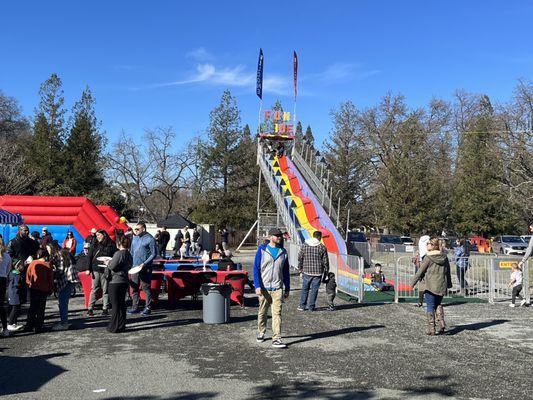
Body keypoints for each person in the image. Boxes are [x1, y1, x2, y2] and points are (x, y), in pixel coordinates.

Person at [253, 228, 290, 348]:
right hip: (264, 288)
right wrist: (257, 286)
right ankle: (261, 331)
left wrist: (287, 287)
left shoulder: (283, 252)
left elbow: (286, 271)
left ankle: (277, 338)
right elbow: (256, 269)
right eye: (277, 235)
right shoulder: (262, 250)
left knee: (277, 313)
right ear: (270, 237)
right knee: (262, 312)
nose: (279, 237)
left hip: (277, 288)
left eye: (280, 236)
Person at [411, 237, 452, 335]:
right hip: (441, 284)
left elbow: (420, 272)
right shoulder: (444, 257)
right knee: (438, 304)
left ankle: (432, 329)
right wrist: (449, 284)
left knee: (430, 306)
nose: (427, 245)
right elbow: (448, 271)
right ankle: (442, 323)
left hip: (430, 285)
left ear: (433, 246)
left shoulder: (428, 257)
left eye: (428, 243)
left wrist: (413, 283)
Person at [128, 222, 158, 315]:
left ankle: (148, 307)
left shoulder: (150, 239)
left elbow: (154, 254)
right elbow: (132, 252)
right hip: (134, 267)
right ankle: (135, 307)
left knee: (146, 287)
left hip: (146, 267)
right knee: (134, 287)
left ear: (143, 229)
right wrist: (130, 264)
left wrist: (144, 264)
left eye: (137, 229)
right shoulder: (134, 238)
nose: (135, 231)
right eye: (135, 229)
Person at [87, 230, 117, 316]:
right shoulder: (95, 244)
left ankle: (105, 308)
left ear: (104, 235)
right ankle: (90, 308)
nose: (97, 237)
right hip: (96, 269)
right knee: (94, 289)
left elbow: (115, 256)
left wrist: (109, 261)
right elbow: (89, 257)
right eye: (96, 236)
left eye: (99, 235)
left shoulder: (111, 245)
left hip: (106, 270)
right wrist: (88, 268)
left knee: (105, 290)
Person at [7, 225, 40, 304]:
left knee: (29, 294)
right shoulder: (13, 242)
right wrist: (19, 262)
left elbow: (38, 253)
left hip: (30, 269)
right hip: (17, 270)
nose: (27, 232)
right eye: (25, 230)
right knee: (16, 292)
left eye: (27, 230)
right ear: (20, 231)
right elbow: (9, 255)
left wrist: (32, 257)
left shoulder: (32, 242)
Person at [297, 230, 329, 311]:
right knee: (314, 290)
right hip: (318, 272)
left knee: (305, 289)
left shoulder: (305, 245)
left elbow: (300, 257)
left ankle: (302, 306)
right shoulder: (322, 247)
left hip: (307, 270)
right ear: (319, 237)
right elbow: (325, 261)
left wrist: (300, 267)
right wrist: (326, 271)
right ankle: (311, 307)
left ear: (313, 236)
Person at [25, 249, 54, 333]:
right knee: (41, 309)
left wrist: (29, 284)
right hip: (44, 289)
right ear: (45, 256)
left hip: (33, 288)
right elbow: (50, 279)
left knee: (32, 307)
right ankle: (38, 327)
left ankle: (29, 325)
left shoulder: (33, 263)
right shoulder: (48, 264)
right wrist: (51, 289)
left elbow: (28, 275)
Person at [107, 236, 132, 333]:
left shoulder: (118, 253)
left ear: (119, 243)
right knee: (121, 304)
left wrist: (108, 263)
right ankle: (121, 325)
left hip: (115, 281)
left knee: (115, 305)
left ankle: (114, 326)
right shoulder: (128, 254)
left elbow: (112, 266)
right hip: (124, 280)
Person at [51, 247, 78, 331]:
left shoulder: (60, 256)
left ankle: (64, 323)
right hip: (71, 280)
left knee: (62, 303)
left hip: (66, 281)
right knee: (64, 303)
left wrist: (53, 271)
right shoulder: (67, 255)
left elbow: (60, 270)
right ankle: (64, 322)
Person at [7, 261, 24, 332]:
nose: (23, 266)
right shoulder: (16, 274)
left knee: (15, 308)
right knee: (14, 308)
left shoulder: (12, 273)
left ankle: (14, 323)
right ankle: (10, 324)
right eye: (21, 265)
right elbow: (17, 284)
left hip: (13, 293)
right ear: (17, 266)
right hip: (14, 293)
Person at [414, 235, 430, 307]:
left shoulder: (421, 241)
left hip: (423, 263)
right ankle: (422, 301)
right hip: (425, 264)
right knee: (424, 284)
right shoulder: (428, 240)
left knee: (422, 284)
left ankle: (420, 302)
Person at [0, 238, 12, 337]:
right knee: (1, 305)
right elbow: (8, 270)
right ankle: (5, 329)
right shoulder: (7, 256)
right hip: (2, 280)